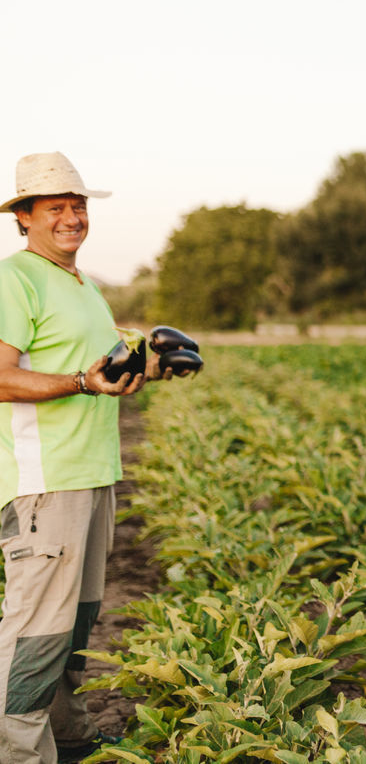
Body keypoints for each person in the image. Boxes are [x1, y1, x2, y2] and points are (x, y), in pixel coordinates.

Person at [0, 153, 160, 763]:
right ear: (24, 217)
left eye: (78, 206)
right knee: (35, 633)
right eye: (55, 208)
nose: (71, 218)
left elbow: (98, 370)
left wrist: (143, 367)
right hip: (45, 484)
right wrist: (81, 383)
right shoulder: (15, 278)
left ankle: (69, 740)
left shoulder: (84, 286)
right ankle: (17, 754)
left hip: (93, 475)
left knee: (73, 628)